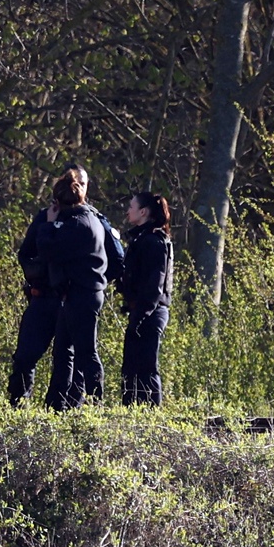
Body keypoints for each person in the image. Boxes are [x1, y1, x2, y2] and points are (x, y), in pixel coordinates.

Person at [39, 168, 119, 409]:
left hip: (82, 293)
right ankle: (60, 404)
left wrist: (50, 224)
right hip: (83, 292)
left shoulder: (76, 224)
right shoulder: (91, 219)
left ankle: (95, 404)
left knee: (85, 352)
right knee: (64, 350)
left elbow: (48, 250)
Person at [7, 178, 72, 405]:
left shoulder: (87, 220)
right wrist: (38, 273)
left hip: (70, 301)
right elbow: (25, 254)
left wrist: (92, 287)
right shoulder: (44, 217)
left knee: (65, 360)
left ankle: (59, 409)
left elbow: (111, 259)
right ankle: (18, 405)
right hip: (42, 297)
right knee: (25, 356)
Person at [118, 190, 176, 404]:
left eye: (131, 207)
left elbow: (155, 284)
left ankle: (149, 417)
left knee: (146, 367)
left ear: (143, 212)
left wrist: (140, 315)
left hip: (150, 311)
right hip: (143, 310)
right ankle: (130, 413)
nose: (127, 211)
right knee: (131, 368)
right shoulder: (143, 239)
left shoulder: (153, 242)